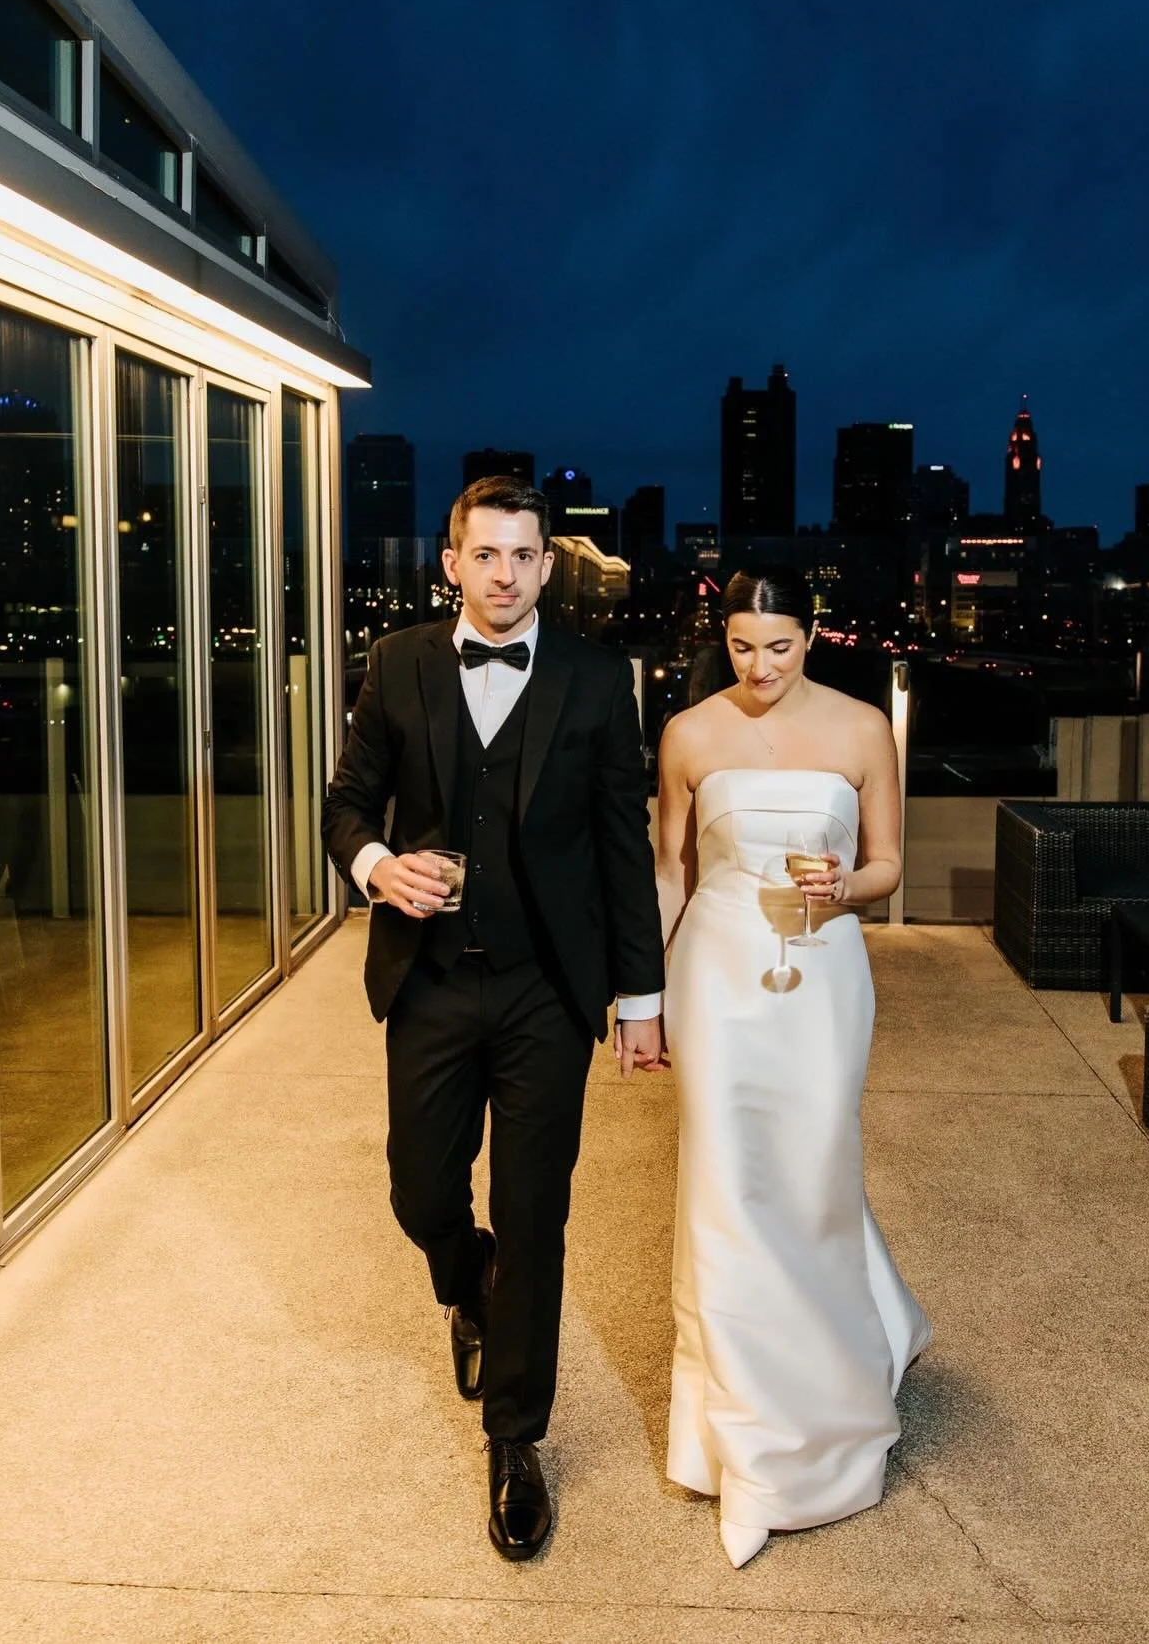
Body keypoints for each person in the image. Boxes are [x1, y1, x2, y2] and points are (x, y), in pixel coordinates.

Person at [322, 477, 665, 1561]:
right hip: (427, 975)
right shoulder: (400, 662)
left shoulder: (598, 678)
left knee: (537, 1214)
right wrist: (377, 866)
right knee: (419, 1187)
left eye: (525, 554)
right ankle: (468, 1280)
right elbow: (346, 803)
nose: (507, 573)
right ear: (452, 562)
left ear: (546, 566)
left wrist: (640, 997)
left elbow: (622, 843)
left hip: (544, 989)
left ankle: (515, 1436)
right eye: (488, 554)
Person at [655, 565, 931, 1568]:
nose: (759, 666)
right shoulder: (690, 732)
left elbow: (892, 863)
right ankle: (746, 1441)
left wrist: (847, 882)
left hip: (822, 972)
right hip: (718, 973)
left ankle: (843, 1361)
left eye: (778, 645)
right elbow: (669, 868)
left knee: (813, 1175)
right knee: (725, 1188)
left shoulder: (863, 728)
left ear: (811, 635)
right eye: (740, 646)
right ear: (721, 638)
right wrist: (642, 996)